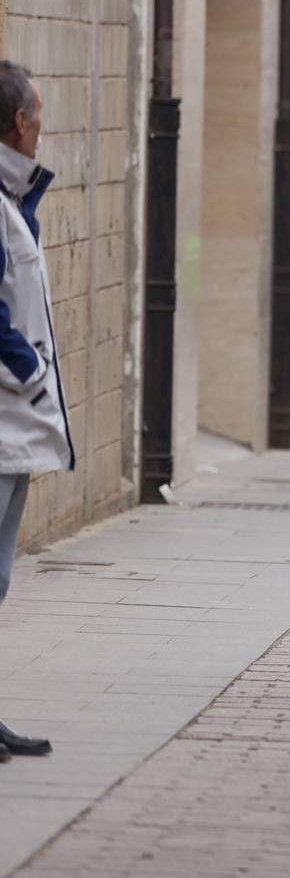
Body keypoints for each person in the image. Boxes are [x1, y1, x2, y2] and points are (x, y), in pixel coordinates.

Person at [0, 60, 62, 760]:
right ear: (20, 122)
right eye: (37, 114)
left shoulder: (13, 196)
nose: (42, 125)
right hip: (9, 412)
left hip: (11, 423)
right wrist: (35, 377)